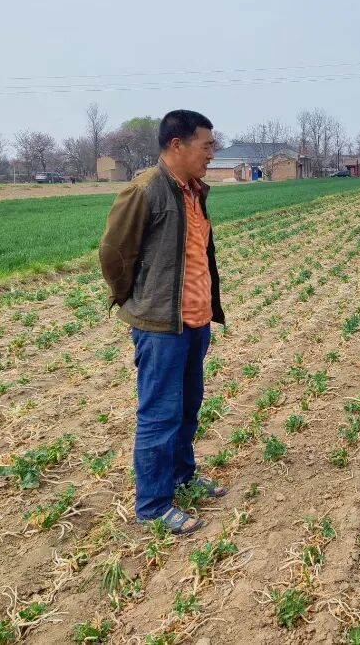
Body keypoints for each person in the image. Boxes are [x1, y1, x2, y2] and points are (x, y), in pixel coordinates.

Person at [99, 110, 226, 534]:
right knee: (159, 414)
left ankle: (182, 477)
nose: (211, 154)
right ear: (177, 145)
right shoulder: (145, 191)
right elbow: (114, 254)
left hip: (195, 321)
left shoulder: (194, 192)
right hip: (160, 327)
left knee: (187, 407)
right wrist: (136, 300)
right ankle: (153, 504)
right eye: (206, 146)